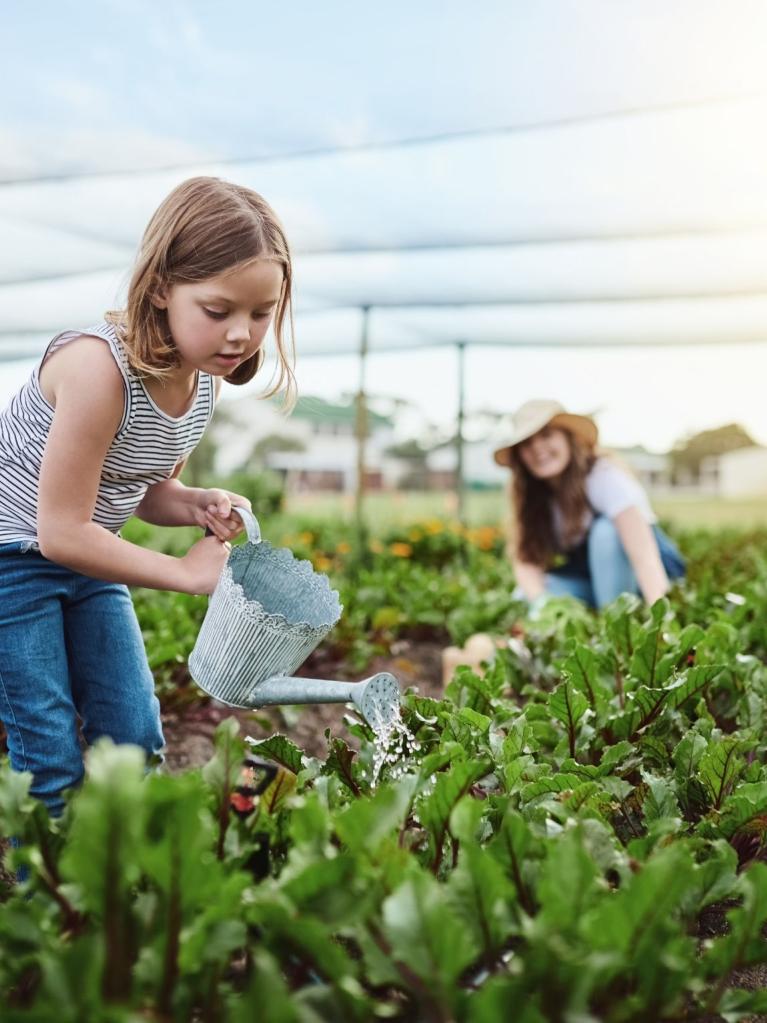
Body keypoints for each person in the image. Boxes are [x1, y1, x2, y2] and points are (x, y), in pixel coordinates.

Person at [0, 176, 295, 814]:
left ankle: (125, 865)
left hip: (86, 560)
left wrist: (194, 503)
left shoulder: (201, 382)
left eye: (260, 313)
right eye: (218, 311)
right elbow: (60, 530)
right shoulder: (97, 370)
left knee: (133, 735)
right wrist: (184, 574)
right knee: (48, 757)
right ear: (160, 287)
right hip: (12, 562)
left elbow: (145, 491)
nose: (240, 335)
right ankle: (46, 878)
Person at [493, 399, 685, 612]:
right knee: (525, 594)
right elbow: (526, 561)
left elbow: (645, 558)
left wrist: (661, 613)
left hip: (649, 578)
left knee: (605, 531)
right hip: (595, 581)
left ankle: (614, 619)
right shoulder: (534, 496)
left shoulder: (603, 475)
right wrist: (540, 606)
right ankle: (596, 611)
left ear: (568, 438)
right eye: (527, 443)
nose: (537, 448)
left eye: (546, 435)